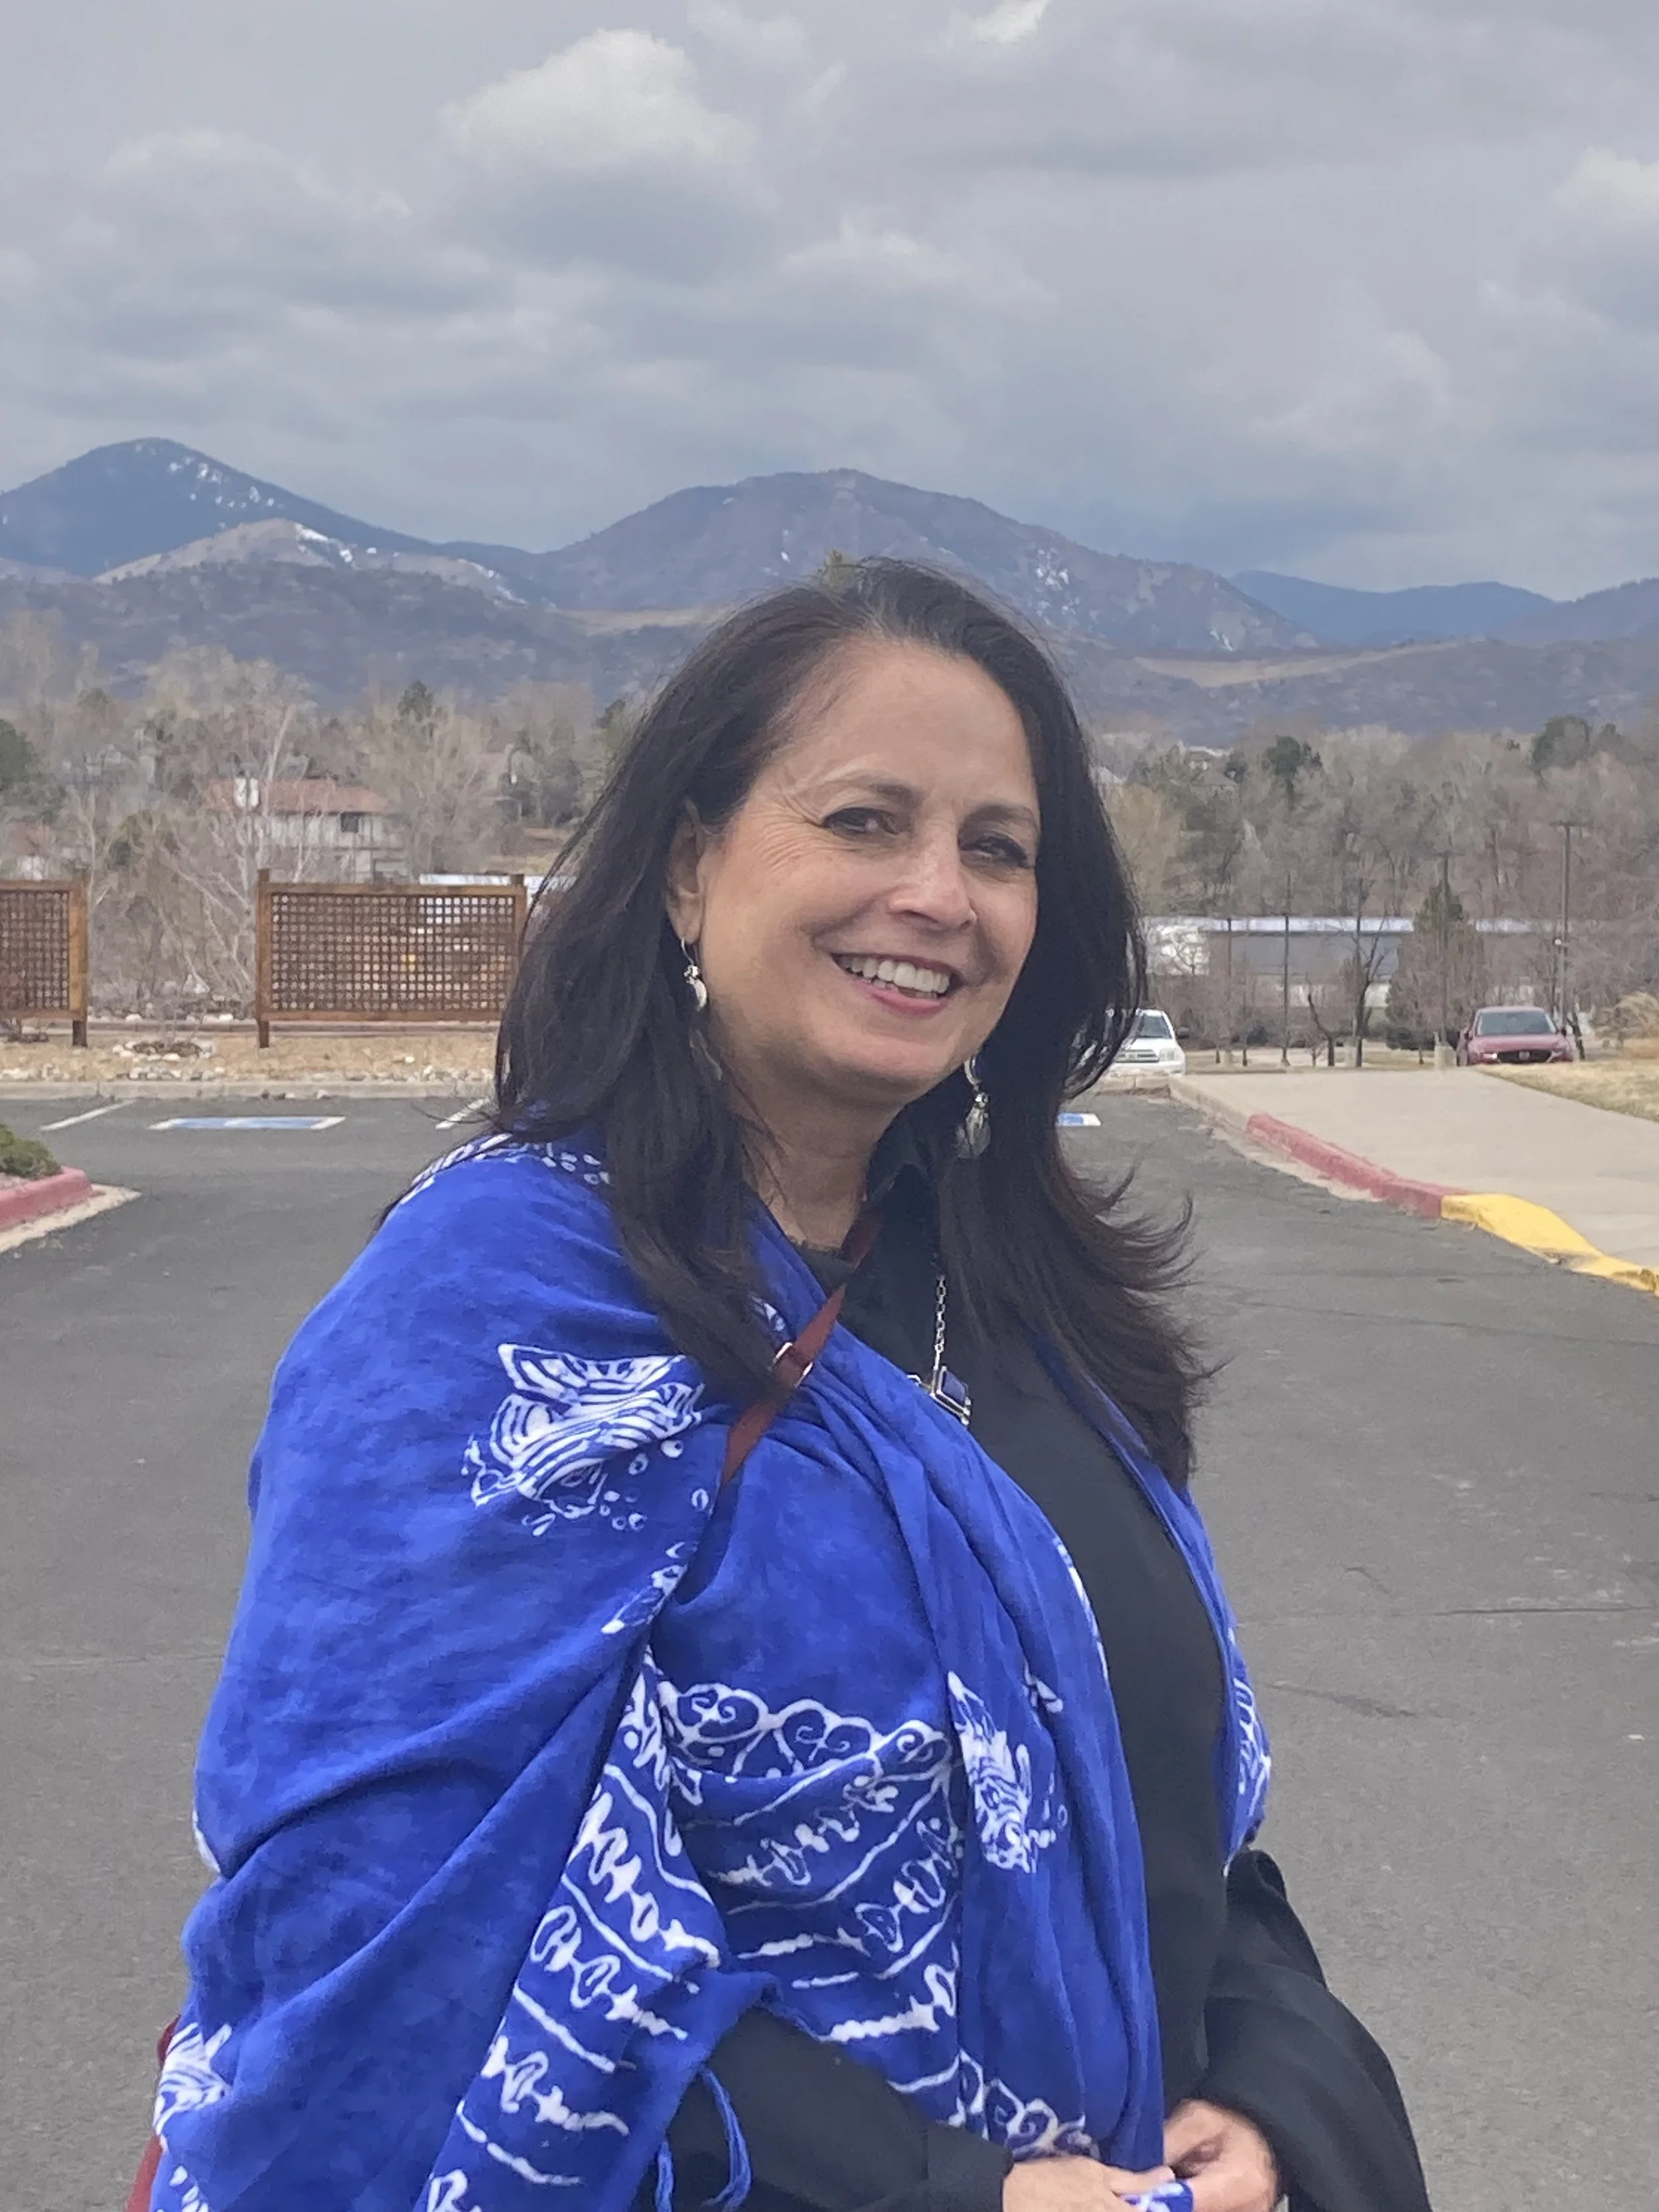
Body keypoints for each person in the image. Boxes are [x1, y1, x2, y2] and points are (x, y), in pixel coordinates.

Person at [147, 561, 1433, 2212]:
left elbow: (1163, 1818)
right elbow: (387, 1930)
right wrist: (947, 2187)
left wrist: (1267, 2089)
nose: (937, 894)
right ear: (688, 865)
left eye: (996, 848)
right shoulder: (485, 1314)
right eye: (861, 821)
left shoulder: (1030, 1305)